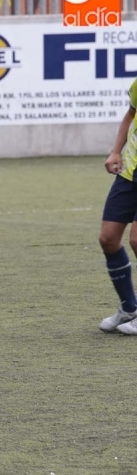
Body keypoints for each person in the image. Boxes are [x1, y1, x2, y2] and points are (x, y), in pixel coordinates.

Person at [97, 77, 137, 334]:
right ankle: (129, 308)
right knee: (108, 238)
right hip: (130, 173)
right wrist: (115, 151)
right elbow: (131, 115)